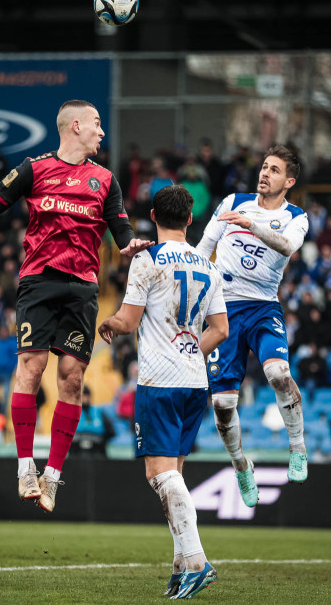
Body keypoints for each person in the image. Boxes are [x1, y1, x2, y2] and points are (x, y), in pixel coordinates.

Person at [0, 100, 152, 512]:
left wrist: (131, 244)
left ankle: (52, 477)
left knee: (71, 380)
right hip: (39, 283)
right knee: (30, 370)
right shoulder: (33, 170)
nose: (102, 132)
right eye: (97, 124)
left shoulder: (105, 180)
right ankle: (24, 468)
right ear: (75, 126)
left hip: (83, 289)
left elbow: (121, 230)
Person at [98, 184, 228, 600]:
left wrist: (108, 324)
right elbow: (221, 330)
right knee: (175, 475)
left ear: (153, 216)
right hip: (195, 381)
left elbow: (129, 320)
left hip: (159, 379)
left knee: (159, 476)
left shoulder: (146, 260)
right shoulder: (208, 265)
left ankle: (197, 561)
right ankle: (179, 567)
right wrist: (190, 349)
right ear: (191, 220)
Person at [195, 145, 311, 504]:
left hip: (263, 308)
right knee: (223, 405)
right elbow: (203, 248)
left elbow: (288, 246)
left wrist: (254, 225)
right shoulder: (233, 200)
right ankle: (241, 466)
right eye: (264, 167)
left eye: (274, 170)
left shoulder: (297, 216)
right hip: (222, 308)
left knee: (278, 373)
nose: (265, 173)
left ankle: (298, 447)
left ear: (289, 181)